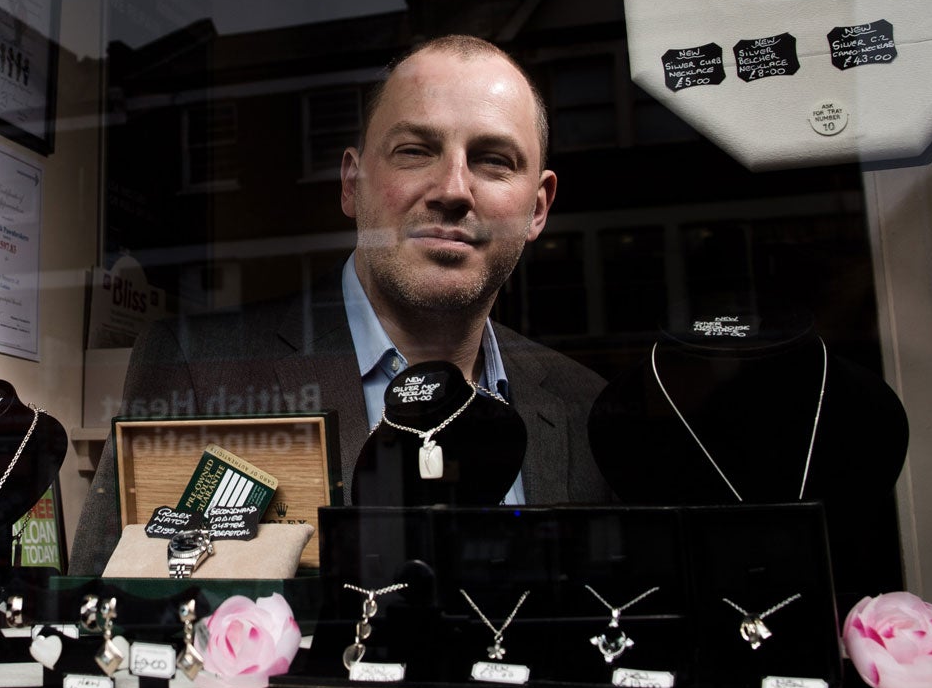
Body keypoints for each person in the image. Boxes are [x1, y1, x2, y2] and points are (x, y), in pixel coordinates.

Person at [68, 34, 612, 574]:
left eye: (493, 160)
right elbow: (101, 621)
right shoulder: (197, 371)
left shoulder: (588, 412)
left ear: (538, 208)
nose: (453, 188)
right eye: (415, 151)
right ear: (352, 183)